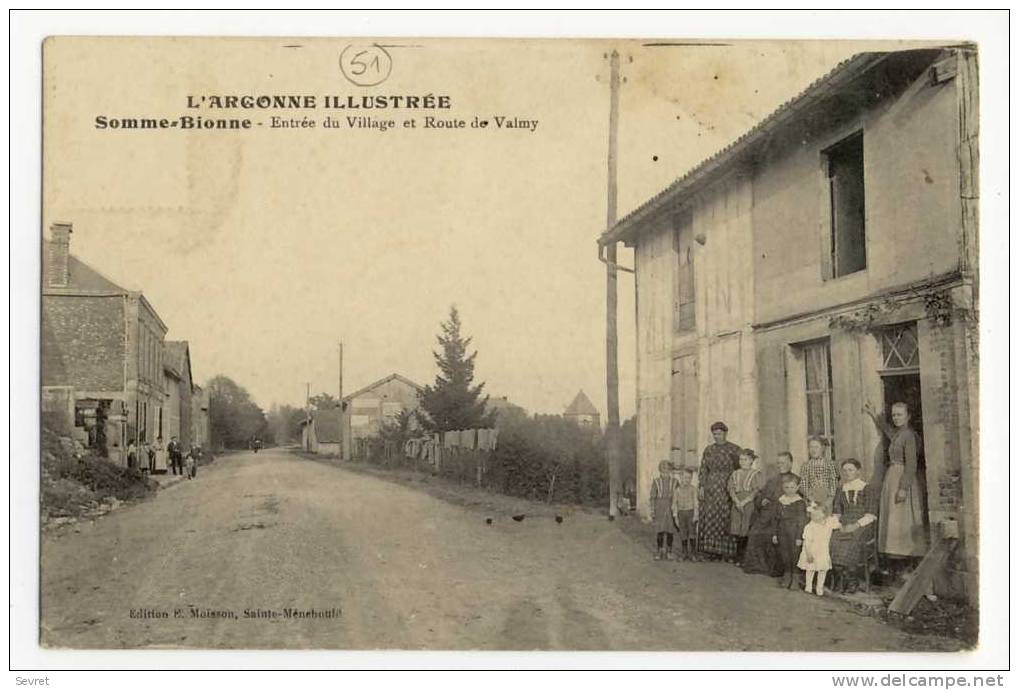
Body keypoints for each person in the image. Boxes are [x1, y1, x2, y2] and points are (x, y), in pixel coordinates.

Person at [864, 401, 927, 570]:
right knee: (894, 519)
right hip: (892, 478)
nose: (896, 418)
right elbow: (888, 430)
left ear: (908, 416)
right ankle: (897, 564)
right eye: (894, 415)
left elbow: (912, 464)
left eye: (900, 414)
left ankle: (907, 561)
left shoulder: (909, 436)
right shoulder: (899, 434)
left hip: (902, 479)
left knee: (902, 519)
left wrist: (903, 488)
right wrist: (874, 415)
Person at [742, 451, 797, 576]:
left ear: (791, 463)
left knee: (773, 533)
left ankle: (775, 568)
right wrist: (762, 501)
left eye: (783, 462)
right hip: (767, 514)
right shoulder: (772, 480)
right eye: (778, 463)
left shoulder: (795, 479)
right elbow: (761, 496)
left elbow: (798, 501)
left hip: (783, 516)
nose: (780, 465)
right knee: (756, 531)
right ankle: (758, 567)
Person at [830, 458, 879, 593]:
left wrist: (856, 525)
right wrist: (838, 525)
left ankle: (852, 579)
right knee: (833, 539)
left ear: (858, 471)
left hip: (863, 525)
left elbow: (871, 514)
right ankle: (841, 577)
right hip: (844, 524)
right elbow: (836, 512)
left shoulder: (867, 488)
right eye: (844, 471)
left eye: (850, 470)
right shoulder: (841, 489)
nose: (847, 473)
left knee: (852, 540)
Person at [697, 421, 742, 561]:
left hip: (727, 487)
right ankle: (711, 551)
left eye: (720, 434)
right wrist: (702, 486)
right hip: (711, 488)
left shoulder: (734, 449)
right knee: (710, 517)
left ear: (725, 433)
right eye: (715, 434)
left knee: (726, 517)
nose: (717, 436)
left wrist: (736, 487)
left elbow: (739, 469)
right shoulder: (708, 450)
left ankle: (727, 552)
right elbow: (703, 469)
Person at [772, 473, 809, 589]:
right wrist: (774, 533)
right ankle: (787, 574)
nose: (789, 490)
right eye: (786, 487)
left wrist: (799, 537)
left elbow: (801, 521)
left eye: (792, 487)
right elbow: (775, 518)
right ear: (783, 488)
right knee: (784, 554)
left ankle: (795, 577)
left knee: (794, 554)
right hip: (782, 530)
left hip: (794, 531)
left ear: (797, 487)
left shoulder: (800, 502)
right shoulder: (781, 501)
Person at [728, 448, 764, 565]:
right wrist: (736, 501)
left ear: (751, 461)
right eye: (741, 459)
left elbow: (755, 491)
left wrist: (744, 502)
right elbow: (731, 489)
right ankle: (737, 556)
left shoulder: (755, 474)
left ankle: (744, 557)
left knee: (746, 528)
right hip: (737, 503)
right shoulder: (735, 473)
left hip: (748, 503)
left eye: (745, 460)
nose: (742, 462)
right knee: (737, 528)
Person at [799, 501, 841, 596]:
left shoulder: (829, 523)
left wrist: (835, 518)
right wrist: (808, 554)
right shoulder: (809, 526)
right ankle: (808, 586)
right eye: (813, 515)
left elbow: (838, 525)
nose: (815, 517)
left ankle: (819, 587)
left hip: (823, 550)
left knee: (823, 569)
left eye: (818, 515)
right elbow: (807, 542)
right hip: (812, 550)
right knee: (810, 569)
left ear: (824, 515)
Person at [800, 436, 840, 513]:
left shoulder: (830, 464)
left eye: (816, 447)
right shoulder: (806, 465)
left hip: (827, 498)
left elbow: (833, 483)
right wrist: (811, 499)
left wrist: (829, 500)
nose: (813, 450)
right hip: (811, 498)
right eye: (811, 447)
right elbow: (803, 484)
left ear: (823, 448)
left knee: (826, 518)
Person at [650, 460, 680, 560]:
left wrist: (677, 508)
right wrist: (653, 510)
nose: (665, 473)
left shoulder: (675, 482)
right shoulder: (656, 482)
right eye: (663, 470)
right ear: (660, 471)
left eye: (667, 470)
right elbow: (653, 497)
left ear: (670, 471)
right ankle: (659, 551)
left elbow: (679, 495)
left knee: (670, 530)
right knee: (660, 530)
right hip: (660, 507)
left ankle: (669, 551)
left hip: (671, 506)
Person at [671, 467, 698, 561]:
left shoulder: (693, 489)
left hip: (690, 513)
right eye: (684, 477)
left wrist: (695, 514)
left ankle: (693, 553)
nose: (687, 480)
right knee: (683, 533)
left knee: (692, 533)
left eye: (689, 478)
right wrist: (675, 517)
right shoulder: (677, 490)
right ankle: (684, 553)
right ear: (680, 478)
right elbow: (674, 504)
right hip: (681, 514)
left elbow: (696, 502)